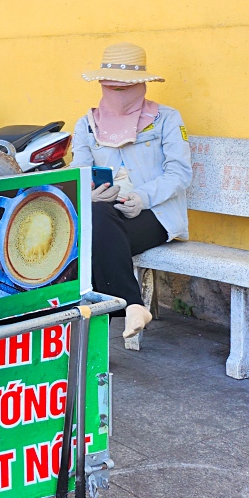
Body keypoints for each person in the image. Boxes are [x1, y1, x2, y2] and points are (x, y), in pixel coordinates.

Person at [70, 42, 192, 341]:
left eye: (124, 88)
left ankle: (85, 326)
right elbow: (80, 171)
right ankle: (133, 305)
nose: (117, 94)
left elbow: (180, 173)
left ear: (141, 86)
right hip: (106, 214)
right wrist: (90, 194)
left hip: (155, 214)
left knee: (92, 237)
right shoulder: (87, 125)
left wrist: (142, 198)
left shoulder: (167, 119)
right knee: (95, 219)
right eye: (111, 87)